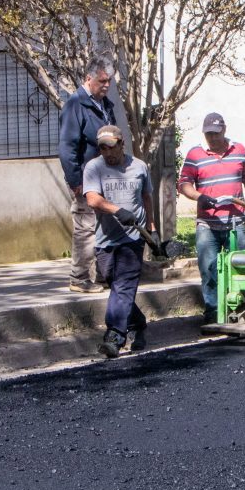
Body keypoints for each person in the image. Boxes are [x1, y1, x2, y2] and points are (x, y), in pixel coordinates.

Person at [178, 112, 245, 324]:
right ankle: (213, 312)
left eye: (216, 133)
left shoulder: (239, 150)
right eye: (209, 134)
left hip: (236, 222)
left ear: (224, 130)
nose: (213, 138)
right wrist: (200, 197)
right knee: (209, 269)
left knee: (239, 267)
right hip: (207, 224)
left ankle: (241, 309)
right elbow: (184, 185)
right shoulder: (195, 154)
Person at [83, 125, 155, 358]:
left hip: (133, 237)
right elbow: (93, 199)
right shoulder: (94, 167)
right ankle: (138, 324)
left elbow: (146, 197)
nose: (107, 152)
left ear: (122, 144)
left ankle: (115, 335)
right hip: (106, 238)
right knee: (116, 285)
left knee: (123, 285)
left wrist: (151, 229)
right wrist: (117, 210)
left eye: (111, 147)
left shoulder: (139, 167)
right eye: (103, 148)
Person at [58, 55, 118, 294]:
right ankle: (79, 277)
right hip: (86, 179)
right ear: (88, 78)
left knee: (105, 227)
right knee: (85, 228)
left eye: (109, 81)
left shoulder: (104, 105)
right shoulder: (76, 105)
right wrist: (75, 181)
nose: (106, 85)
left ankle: (103, 275)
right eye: (102, 81)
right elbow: (67, 147)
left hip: (107, 179)